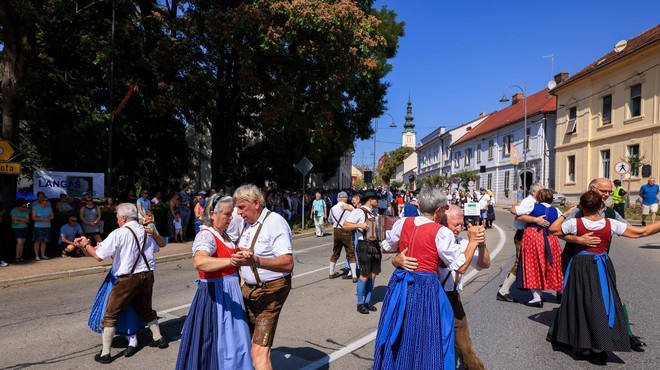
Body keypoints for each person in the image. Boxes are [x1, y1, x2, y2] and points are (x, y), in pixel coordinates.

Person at [374, 187, 483, 369]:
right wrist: (472, 242)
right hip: (425, 287)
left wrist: (397, 258)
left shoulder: (403, 223)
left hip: (401, 283)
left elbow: (386, 246)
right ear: (439, 211)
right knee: (430, 334)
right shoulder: (441, 232)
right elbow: (461, 266)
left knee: (402, 330)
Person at [549, 190, 660, 363]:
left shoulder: (576, 223)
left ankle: (583, 344)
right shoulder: (611, 223)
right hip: (600, 264)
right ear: (601, 207)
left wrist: (566, 215)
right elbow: (641, 232)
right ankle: (600, 344)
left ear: (582, 206)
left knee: (581, 301)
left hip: (580, 265)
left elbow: (553, 229)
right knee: (602, 302)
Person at [74, 203, 168, 364]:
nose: (116, 219)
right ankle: (159, 339)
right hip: (147, 276)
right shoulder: (146, 232)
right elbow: (157, 248)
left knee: (111, 314)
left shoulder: (119, 233)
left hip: (128, 279)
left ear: (123, 218)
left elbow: (98, 256)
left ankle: (105, 353)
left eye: (117, 217)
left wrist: (85, 245)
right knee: (145, 307)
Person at [176, 195, 253, 369]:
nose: (231, 217)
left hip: (230, 296)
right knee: (217, 343)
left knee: (237, 342)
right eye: (227, 214)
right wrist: (232, 261)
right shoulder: (206, 236)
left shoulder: (223, 234)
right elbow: (199, 261)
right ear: (212, 214)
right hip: (216, 297)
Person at [231, 184, 294, 370]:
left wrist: (256, 261)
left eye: (242, 207)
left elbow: (288, 263)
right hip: (250, 290)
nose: (239, 212)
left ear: (256, 203)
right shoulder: (246, 224)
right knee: (245, 343)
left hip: (271, 290)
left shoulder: (275, 222)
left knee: (259, 351)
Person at [496, 183, 544, 303]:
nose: (543, 194)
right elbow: (517, 214)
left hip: (528, 234)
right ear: (533, 192)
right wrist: (535, 220)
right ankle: (503, 291)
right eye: (541, 191)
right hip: (523, 234)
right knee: (519, 262)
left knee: (531, 262)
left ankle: (537, 292)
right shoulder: (529, 202)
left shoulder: (532, 201)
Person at [515, 189, 563, 307]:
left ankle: (537, 297)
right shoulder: (556, 210)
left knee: (532, 265)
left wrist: (518, 204)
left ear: (538, 198)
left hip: (533, 237)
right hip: (550, 237)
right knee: (550, 264)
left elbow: (516, 212)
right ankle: (558, 290)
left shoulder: (532, 207)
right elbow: (562, 222)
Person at [342, 190, 382, 314]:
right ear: (370, 199)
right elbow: (345, 225)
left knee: (373, 274)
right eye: (376, 199)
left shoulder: (375, 213)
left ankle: (368, 301)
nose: (378, 201)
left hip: (375, 244)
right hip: (364, 245)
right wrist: (360, 225)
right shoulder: (359, 211)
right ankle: (360, 303)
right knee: (364, 274)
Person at [327, 191, 357, 281]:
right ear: (345, 198)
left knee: (335, 252)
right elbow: (357, 216)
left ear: (338, 199)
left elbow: (330, 220)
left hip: (336, 230)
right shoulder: (350, 207)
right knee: (350, 252)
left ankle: (331, 272)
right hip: (347, 230)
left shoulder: (332, 208)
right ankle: (354, 275)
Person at [32, 194, 55, 260]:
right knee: (37, 241)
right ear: (41, 201)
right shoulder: (35, 207)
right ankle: (37, 255)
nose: (47, 202)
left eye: (47, 200)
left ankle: (43, 255)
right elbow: (33, 217)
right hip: (38, 226)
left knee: (44, 241)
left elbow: (52, 216)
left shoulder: (49, 208)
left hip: (47, 226)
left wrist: (48, 219)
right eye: (45, 200)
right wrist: (41, 219)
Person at [11, 199, 30, 263]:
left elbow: (27, 220)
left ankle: (20, 257)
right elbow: (14, 221)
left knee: (22, 243)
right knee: (19, 242)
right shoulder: (14, 210)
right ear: (18, 206)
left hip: (24, 228)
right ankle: (17, 258)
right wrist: (23, 219)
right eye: (23, 206)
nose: (25, 207)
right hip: (16, 228)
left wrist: (18, 219)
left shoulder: (26, 211)